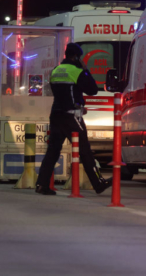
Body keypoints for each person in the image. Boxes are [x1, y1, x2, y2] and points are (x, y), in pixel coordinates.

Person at [36, 43, 112, 195]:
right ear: (76, 57)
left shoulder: (56, 70)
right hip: (71, 116)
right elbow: (92, 90)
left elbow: (62, 92)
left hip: (56, 115)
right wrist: (85, 70)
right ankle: (98, 183)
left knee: (52, 151)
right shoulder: (76, 71)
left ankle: (42, 185)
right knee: (85, 151)